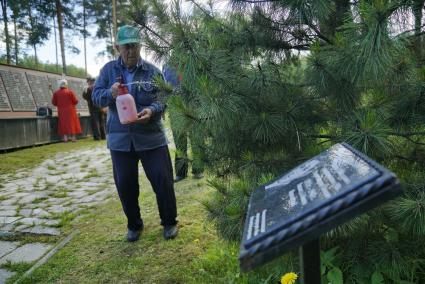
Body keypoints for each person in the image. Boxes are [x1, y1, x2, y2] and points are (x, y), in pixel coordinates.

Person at [92, 25, 178, 242]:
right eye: (125, 47)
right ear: (117, 47)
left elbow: (164, 99)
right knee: (125, 184)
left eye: (134, 46)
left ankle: (169, 222)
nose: (130, 51)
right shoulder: (108, 70)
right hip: (121, 140)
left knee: (163, 180)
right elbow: (96, 97)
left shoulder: (152, 71)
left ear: (140, 46)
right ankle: (134, 225)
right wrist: (110, 93)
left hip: (151, 137)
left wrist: (152, 110)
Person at [162, 65, 205, 182]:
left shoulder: (192, 58)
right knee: (179, 140)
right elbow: (165, 88)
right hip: (175, 106)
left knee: (196, 139)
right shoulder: (166, 65)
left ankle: (198, 169)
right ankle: (181, 172)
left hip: (193, 104)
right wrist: (163, 106)